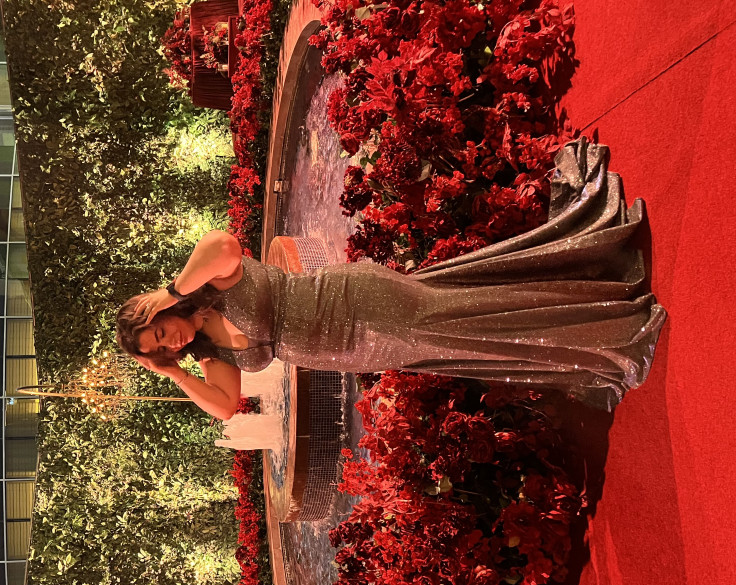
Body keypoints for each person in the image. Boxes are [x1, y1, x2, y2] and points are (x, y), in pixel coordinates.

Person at [116, 138, 666, 417]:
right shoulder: (212, 356)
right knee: (461, 338)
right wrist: (169, 371)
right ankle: (583, 327)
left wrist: (171, 291)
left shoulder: (208, 286)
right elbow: (224, 406)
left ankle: (598, 317)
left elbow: (223, 245)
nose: (172, 341)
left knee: (460, 320)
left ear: (159, 310)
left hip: (354, 303)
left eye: (161, 331)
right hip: (351, 349)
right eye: (162, 348)